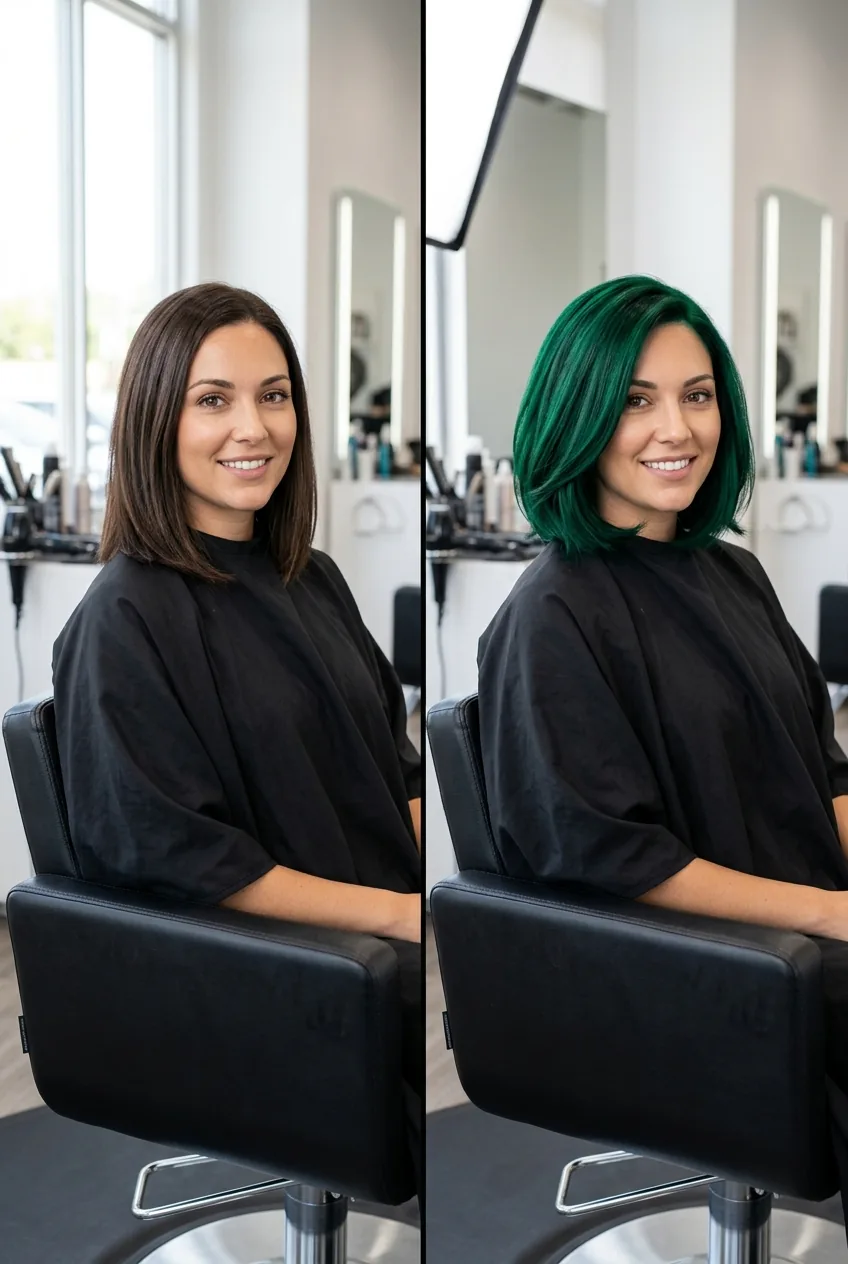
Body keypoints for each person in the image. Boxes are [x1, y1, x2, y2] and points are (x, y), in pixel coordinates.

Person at [477, 274, 848, 1232]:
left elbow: (817, 777)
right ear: (578, 415)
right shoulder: (552, 615)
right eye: (635, 401)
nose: (674, 428)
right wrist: (832, 914)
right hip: (704, 976)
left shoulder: (733, 571)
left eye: (696, 395)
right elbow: (612, 858)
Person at [52, 282, 422, 1191]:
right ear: (154, 420)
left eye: (275, 395)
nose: (252, 428)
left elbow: (394, 767)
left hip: (374, 951)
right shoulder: (125, 618)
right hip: (267, 980)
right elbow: (182, 858)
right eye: (212, 400)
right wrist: (398, 917)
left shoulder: (312, 578)